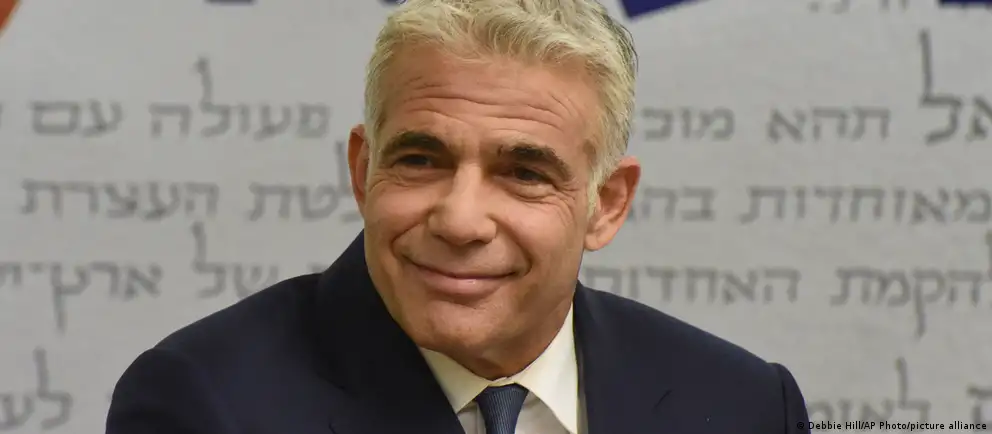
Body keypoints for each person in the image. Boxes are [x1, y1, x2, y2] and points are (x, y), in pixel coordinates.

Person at [106, 0, 811, 433]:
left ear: (606, 204)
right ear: (362, 170)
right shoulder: (204, 403)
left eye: (524, 173)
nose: (460, 220)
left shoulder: (744, 405)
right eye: (421, 160)